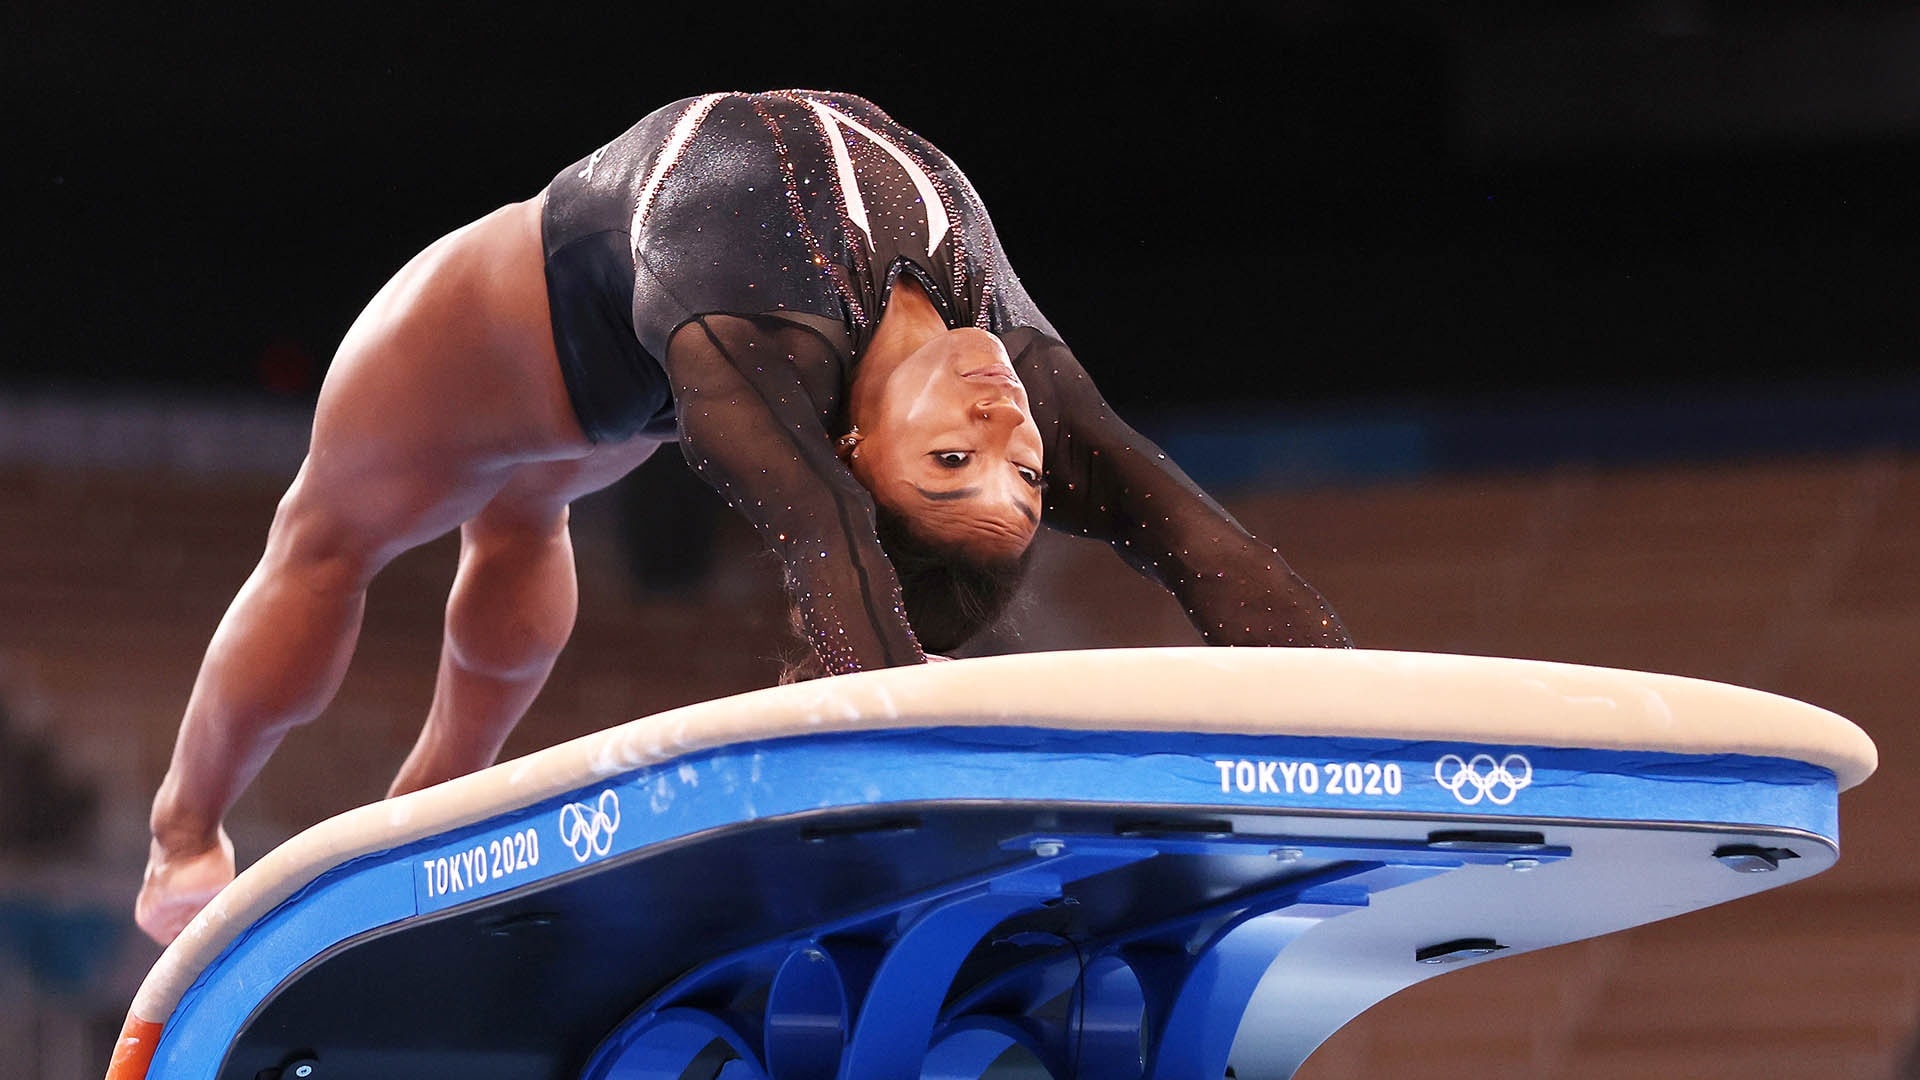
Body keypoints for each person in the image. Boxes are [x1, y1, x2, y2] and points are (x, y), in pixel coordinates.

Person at [135, 90, 1350, 946]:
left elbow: (828, 551)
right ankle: (218, 833)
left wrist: (905, 770)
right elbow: (1199, 539)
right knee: (427, 529)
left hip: (552, 351)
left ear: (853, 450)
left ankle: (298, 823)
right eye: (1021, 473)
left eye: (950, 462)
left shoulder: (749, 345)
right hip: (562, 338)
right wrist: (1351, 730)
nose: (1006, 428)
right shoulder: (1009, 352)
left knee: (411, 530)